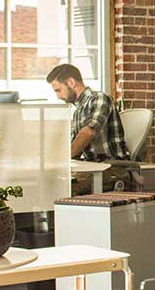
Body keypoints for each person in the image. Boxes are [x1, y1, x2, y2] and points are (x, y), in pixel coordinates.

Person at [46, 63, 133, 194]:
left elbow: (89, 132)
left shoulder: (99, 98)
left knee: (65, 191)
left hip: (112, 168)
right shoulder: (78, 111)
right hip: (92, 168)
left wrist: (63, 158)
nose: (58, 96)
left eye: (58, 90)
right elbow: (76, 148)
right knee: (51, 185)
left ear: (70, 82)